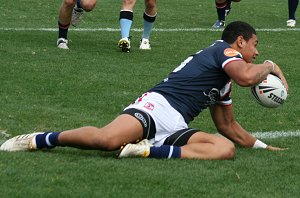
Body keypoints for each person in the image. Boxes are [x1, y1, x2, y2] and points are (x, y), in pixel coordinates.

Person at [0, 21, 288, 160]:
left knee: (224, 150)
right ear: (239, 42)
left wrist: (263, 146)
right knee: (106, 140)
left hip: (175, 124)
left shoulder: (225, 78)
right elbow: (247, 78)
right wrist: (270, 65)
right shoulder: (223, 51)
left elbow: (228, 126)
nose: (257, 51)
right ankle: (40, 139)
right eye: (255, 45)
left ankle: (147, 151)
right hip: (157, 106)